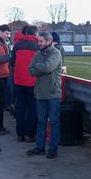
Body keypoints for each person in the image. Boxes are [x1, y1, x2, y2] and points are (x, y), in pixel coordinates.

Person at [27, 31, 62, 159]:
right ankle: (39, 147)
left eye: (41, 41)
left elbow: (49, 67)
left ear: (48, 41)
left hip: (53, 94)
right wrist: (40, 68)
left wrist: (37, 67)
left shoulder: (56, 53)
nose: (39, 43)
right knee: (41, 122)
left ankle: (53, 149)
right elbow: (30, 70)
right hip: (40, 93)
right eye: (39, 41)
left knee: (53, 122)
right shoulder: (38, 53)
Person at [10, 25, 38, 142]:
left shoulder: (17, 45)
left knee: (20, 107)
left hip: (19, 81)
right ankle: (29, 134)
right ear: (35, 34)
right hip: (33, 81)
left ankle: (19, 134)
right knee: (32, 109)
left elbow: (12, 62)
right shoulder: (38, 46)